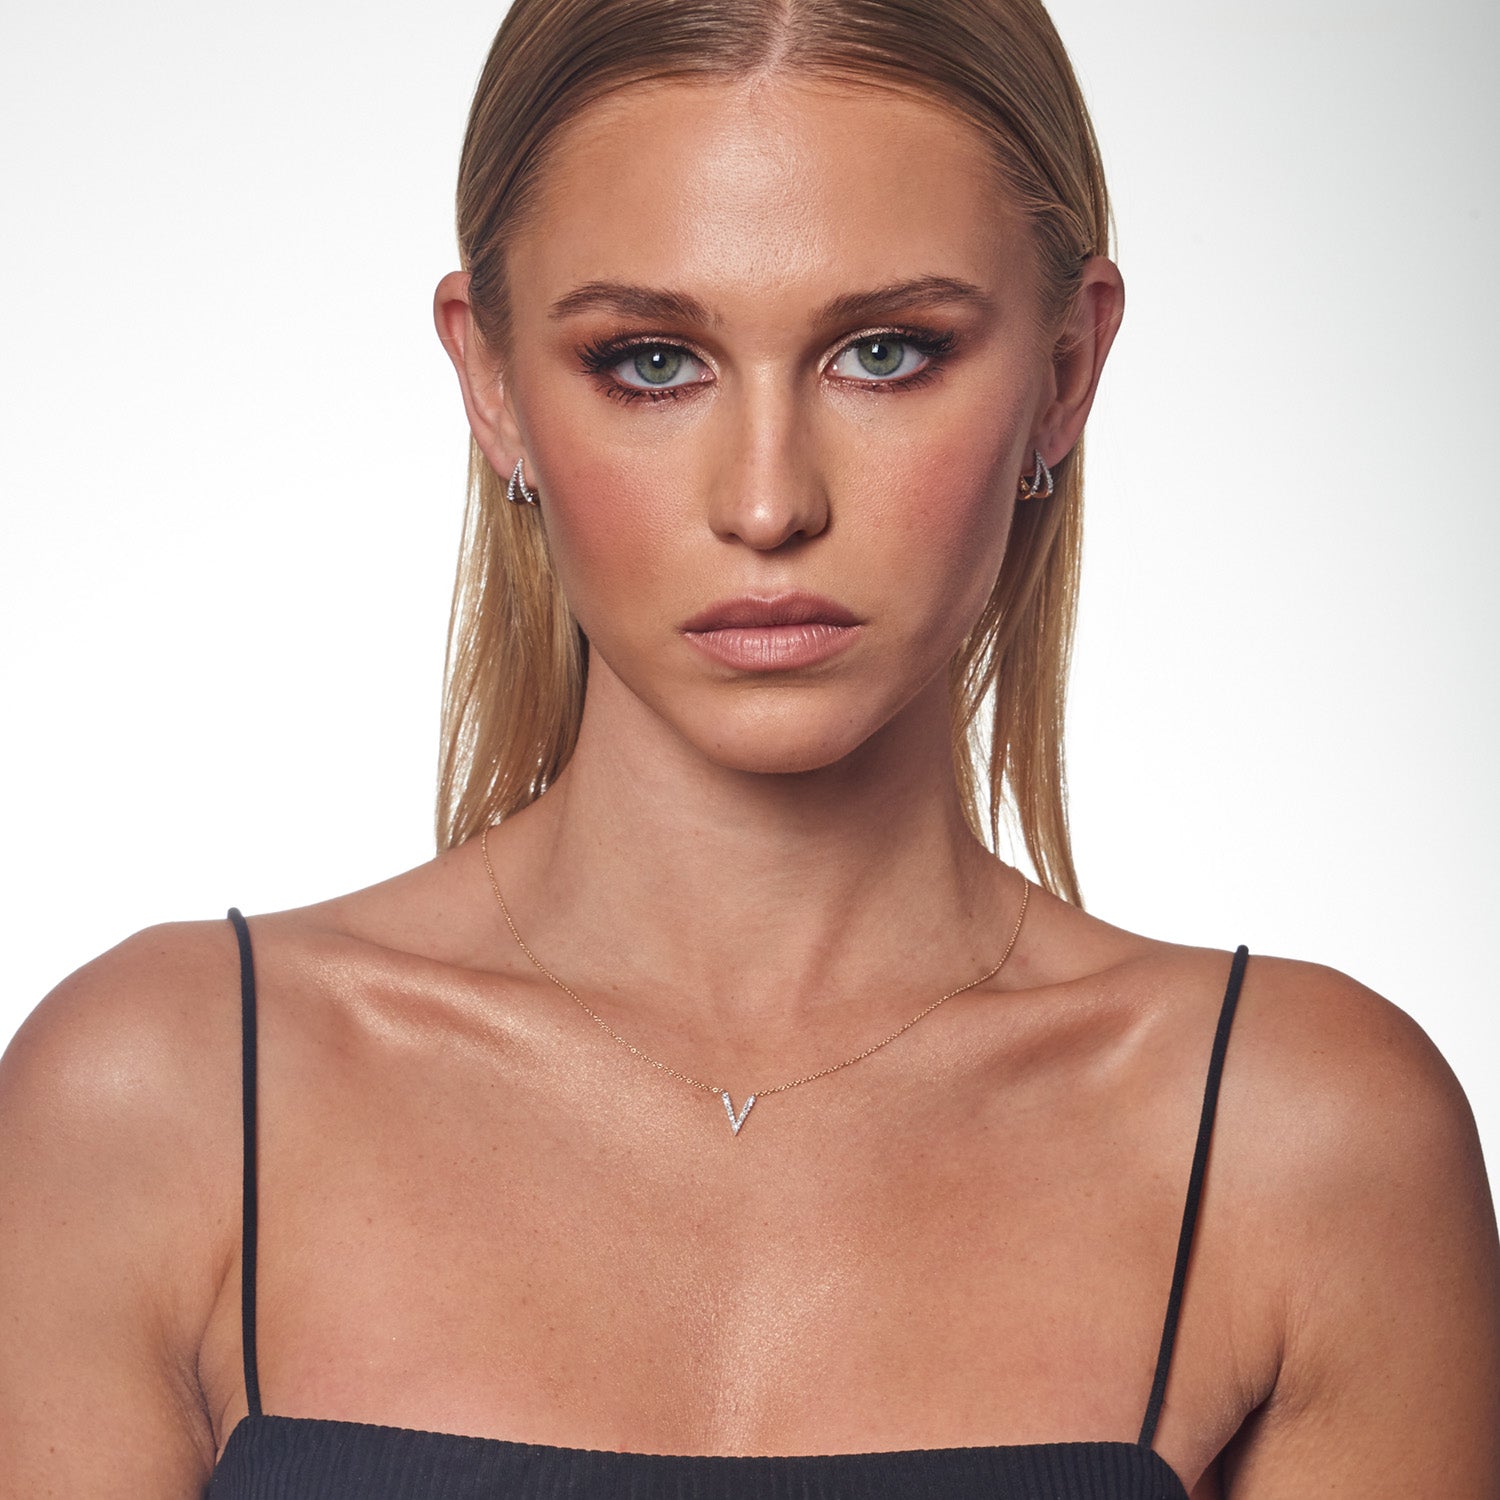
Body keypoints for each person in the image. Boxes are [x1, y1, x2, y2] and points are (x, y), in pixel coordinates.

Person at [2, 0, 1496, 1494]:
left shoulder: (1302, 1145)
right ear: (493, 383)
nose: (769, 504)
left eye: (886, 353)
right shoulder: (159, 1101)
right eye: (653, 362)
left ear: (1065, 371)